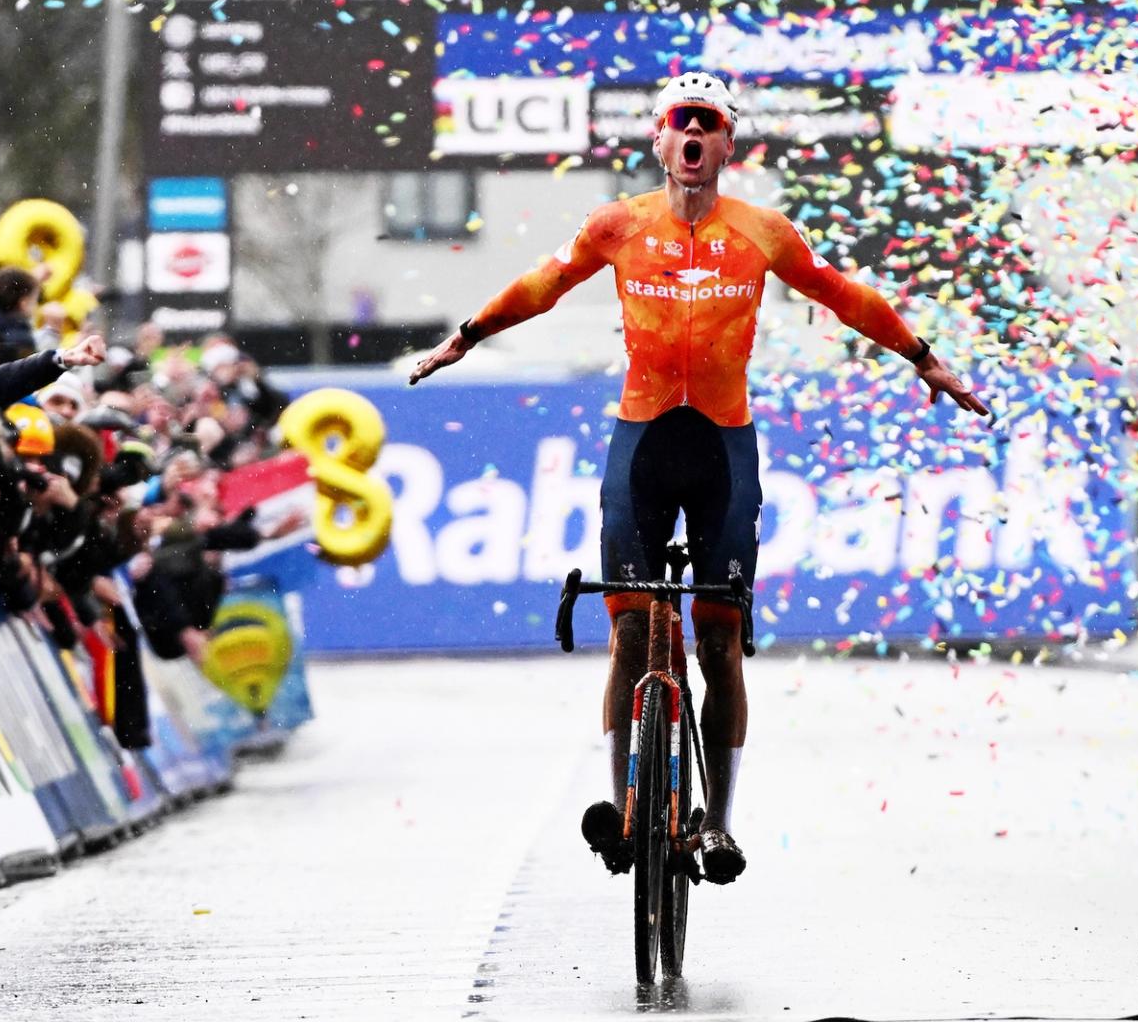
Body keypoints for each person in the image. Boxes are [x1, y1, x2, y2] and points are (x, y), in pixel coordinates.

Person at [409, 72, 990, 885]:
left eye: (706, 125)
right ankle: (622, 811)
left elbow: (843, 295)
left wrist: (925, 361)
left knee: (717, 639)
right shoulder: (617, 226)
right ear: (657, 141)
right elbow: (542, 287)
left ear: (725, 143)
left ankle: (717, 824)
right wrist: (465, 338)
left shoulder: (760, 231)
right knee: (632, 632)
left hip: (722, 447)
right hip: (642, 441)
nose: (690, 137)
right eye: (677, 124)